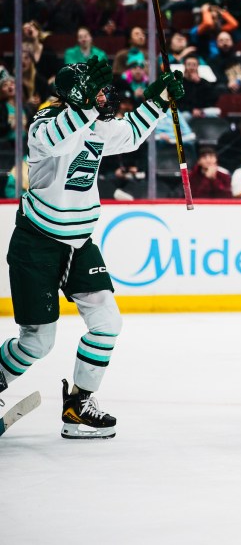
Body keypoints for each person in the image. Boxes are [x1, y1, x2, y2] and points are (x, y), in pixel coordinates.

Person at [0, 58, 183, 439]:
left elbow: (129, 134)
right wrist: (84, 107)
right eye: (97, 91)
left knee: (107, 324)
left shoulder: (96, 122)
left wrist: (159, 100)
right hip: (37, 245)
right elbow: (54, 140)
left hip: (80, 245)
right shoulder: (45, 123)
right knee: (37, 342)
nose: (106, 97)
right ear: (78, 95)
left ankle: (79, 404)